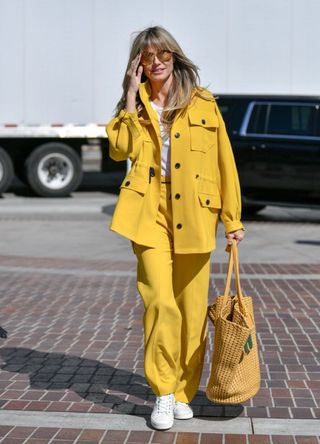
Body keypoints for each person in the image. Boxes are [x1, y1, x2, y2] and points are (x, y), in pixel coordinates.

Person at [106, 25, 245, 430]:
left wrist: (232, 220)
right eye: (147, 57)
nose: (157, 62)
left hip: (197, 214)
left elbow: (225, 163)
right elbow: (120, 150)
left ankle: (184, 391)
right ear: (138, 65)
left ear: (174, 57)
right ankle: (164, 392)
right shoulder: (134, 105)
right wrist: (131, 96)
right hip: (149, 213)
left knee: (190, 312)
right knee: (160, 304)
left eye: (163, 54)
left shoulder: (202, 103)